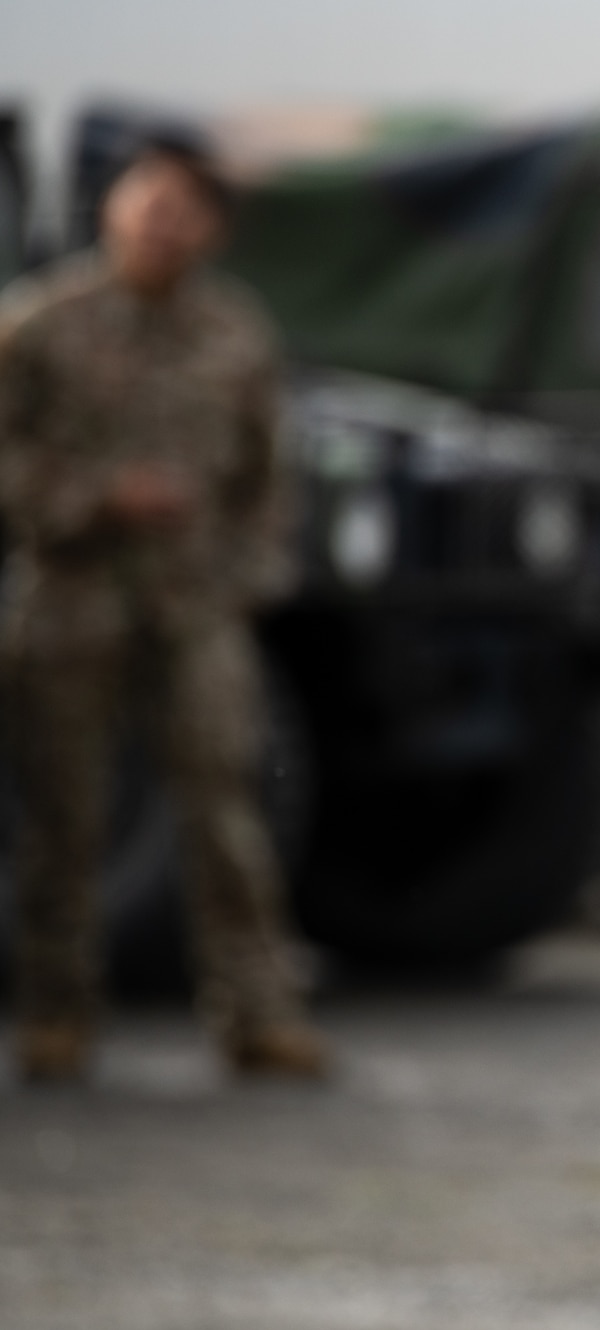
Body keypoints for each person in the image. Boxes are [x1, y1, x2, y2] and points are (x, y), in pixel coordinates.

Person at [0, 135, 328, 1083]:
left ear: (213, 231)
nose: (162, 219)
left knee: (228, 810)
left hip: (196, 607)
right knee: (63, 813)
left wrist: (247, 575)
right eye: (150, 199)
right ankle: (56, 1012)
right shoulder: (40, 324)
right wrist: (94, 497)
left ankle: (256, 1014)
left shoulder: (234, 332)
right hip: (71, 597)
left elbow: (269, 477)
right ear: (115, 207)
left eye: (186, 207)